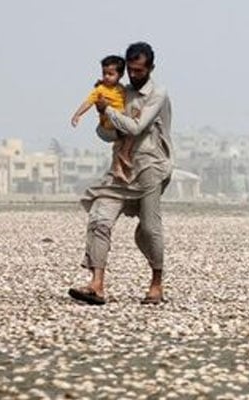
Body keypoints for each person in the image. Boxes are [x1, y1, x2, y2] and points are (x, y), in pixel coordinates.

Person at [68, 42, 173, 305]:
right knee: (99, 218)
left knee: (149, 229)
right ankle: (96, 284)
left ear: (150, 68)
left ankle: (156, 283)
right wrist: (102, 114)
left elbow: (136, 128)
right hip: (120, 170)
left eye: (140, 70)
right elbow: (106, 134)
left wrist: (110, 111)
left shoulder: (157, 94)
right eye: (131, 71)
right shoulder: (119, 93)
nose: (135, 75)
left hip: (150, 167)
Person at [70, 55, 136, 183]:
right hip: (109, 122)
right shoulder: (100, 89)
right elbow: (88, 102)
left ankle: (118, 166)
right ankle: (124, 155)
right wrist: (77, 115)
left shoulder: (121, 89)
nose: (106, 77)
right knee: (129, 130)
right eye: (104, 73)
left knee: (121, 141)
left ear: (120, 75)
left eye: (110, 74)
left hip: (119, 119)